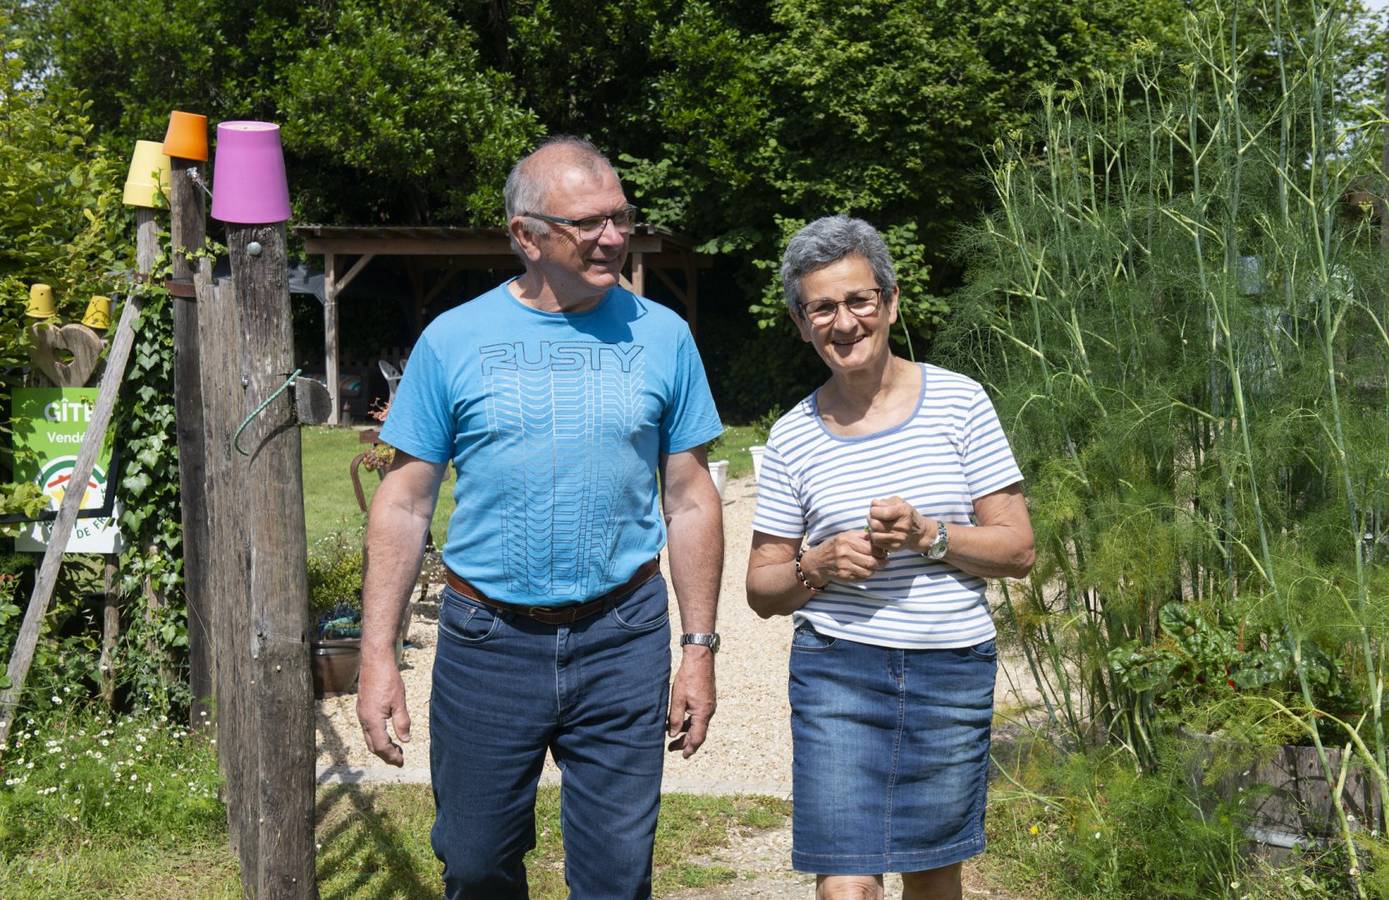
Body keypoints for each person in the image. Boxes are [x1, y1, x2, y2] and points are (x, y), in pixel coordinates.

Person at [356, 136, 725, 899]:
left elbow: (689, 497)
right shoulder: (454, 340)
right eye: (587, 223)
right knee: (474, 861)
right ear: (525, 236)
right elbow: (402, 500)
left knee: (617, 877)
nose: (613, 237)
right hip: (487, 642)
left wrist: (697, 649)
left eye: (620, 217)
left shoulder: (662, 335)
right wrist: (375, 655)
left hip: (621, 636)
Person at [745, 215, 1034, 900]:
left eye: (857, 300)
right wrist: (815, 566)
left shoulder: (960, 403)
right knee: (846, 886)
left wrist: (929, 535)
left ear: (890, 302)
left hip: (949, 670)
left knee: (932, 877)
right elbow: (761, 587)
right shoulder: (791, 438)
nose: (843, 322)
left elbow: (1016, 549)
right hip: (837, 670)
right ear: (799, 321)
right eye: (821, 307)